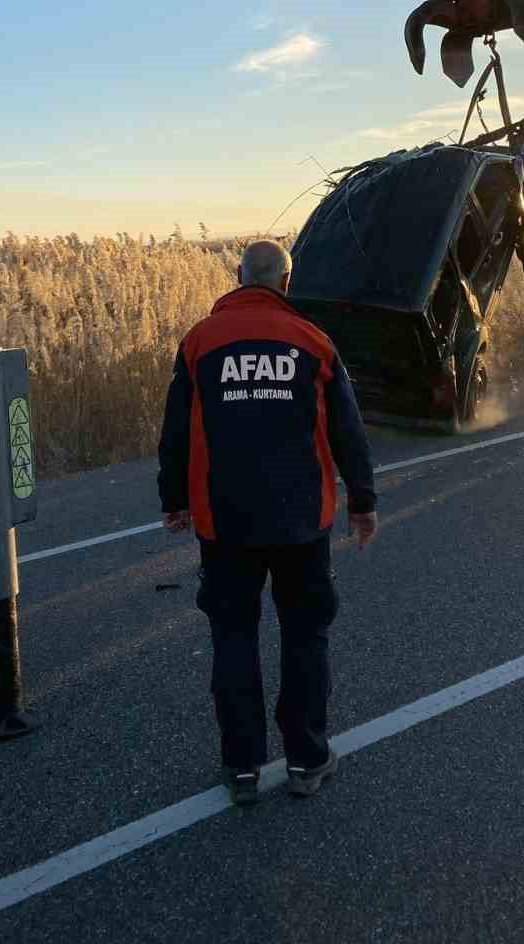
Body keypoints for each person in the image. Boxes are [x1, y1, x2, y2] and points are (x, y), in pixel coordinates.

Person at [157, 238, 377, 806]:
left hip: (225, 522)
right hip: (301, 521)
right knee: (306, 636)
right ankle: (306, 760)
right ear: (285, 282)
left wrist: (173, 498)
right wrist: (362, 500)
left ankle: (242, 769)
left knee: (234, 637)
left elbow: (176, 430)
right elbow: (348, 430)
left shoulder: (200, 342)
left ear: (238, 277)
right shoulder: (314, 342)